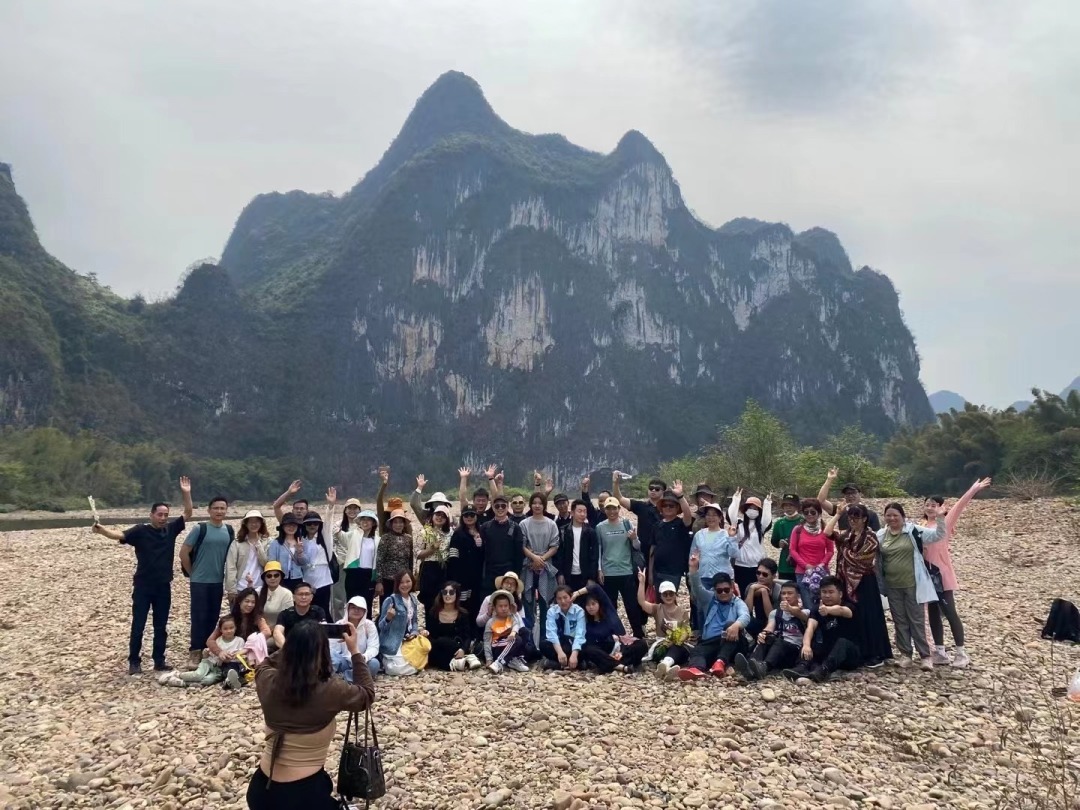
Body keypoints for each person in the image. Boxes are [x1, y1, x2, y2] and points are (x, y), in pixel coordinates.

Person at [247, 621, 375, 808]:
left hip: (260, 792)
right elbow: (367, 694)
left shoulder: (267, 680)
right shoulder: (331, 689)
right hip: (305, 796)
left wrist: (296, 646)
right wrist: (355, 651)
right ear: (323, 652)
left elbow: (265, 663)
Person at [92, 479, 194, 674]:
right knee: (138, 625)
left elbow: (188, 513)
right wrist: (102, 530)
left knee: (161, 625)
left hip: (163, 585)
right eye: (159, 514)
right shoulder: (140, 531)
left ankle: (159, 660)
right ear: (151, 515)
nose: (163, 518)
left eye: (165, 515)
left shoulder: (170, 530)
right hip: (143, 586)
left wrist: (186, 492)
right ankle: (134, 661)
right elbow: (119, 534)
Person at [922, 477, 991, 668]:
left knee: (950, 612)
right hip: (927, 576)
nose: (930, 508)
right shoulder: (921, 526)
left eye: (934, 505)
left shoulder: (945, 521)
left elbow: (960, 505)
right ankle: (940, 652)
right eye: (927, 504)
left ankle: (961, 653)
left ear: (941, 507)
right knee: (933, 613)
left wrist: (974, 489)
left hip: (942, 575)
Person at [877, 502, 945, 670]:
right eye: (888, 515)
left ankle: (925, 656)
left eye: (895, 515)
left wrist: (940, 518)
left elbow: (938, 535)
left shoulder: (913, 530)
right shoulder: (881, 535)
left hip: (913, 584)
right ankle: (905, 654)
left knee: (917, 620)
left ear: (903, 516)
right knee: (899, 620)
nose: (892, 518)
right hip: (892, 585)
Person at [824, 503, 892, 667]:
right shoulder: (848, 535)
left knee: (869, 617)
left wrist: (844, 551)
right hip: (846, 580)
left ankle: (876, 652)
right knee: (855, 616)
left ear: (864, 519)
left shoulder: (870, 536)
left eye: (856, 517)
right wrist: (837, 515)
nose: (853, 521)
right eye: (850, 517)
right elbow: (827, 532)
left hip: (864, 582)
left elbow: (861, 559)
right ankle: (859, 651)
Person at [179, 494, 234, 670]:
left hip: (217, 581)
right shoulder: (200, 528)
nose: (219, 511)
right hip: (200, 581)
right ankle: (195, 651)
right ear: (209, 510)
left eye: (222, 508)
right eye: (216, 508)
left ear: (226, 510)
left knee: (213, 616)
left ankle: (208, 649)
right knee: (198, 616)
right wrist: (192, 573)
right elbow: (183, 552)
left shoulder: (229, 531)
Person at [680, 557, 751, 680]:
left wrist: (736, 625)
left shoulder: (738, 603)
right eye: (719, 590)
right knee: (697, 650)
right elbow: (697, 588)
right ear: (714, 590)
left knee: (730, 626)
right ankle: (696, 669)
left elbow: (745, 615)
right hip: (711, 641)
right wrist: (693, 569)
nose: (723, 593)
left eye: (726, 590)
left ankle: (720, 663)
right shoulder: (709, 600)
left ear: (732, 588)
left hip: (733, 642)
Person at [782, 576, 862, 683]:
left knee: (842, 642)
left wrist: (828, 610)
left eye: (831, 592)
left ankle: (824, 670)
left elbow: (843, 611)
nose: (827, 595)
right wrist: (806, 645)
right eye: (824, 592)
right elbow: (810, 627)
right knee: (811, 640)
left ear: (840, 594)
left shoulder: (849, 606)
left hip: (850, 654)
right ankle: (802, 666)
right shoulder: (817, 609)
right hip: (829, 651)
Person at [732, 581, 807, 681]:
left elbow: (801, 615)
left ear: (798, 596)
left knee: (780, 641)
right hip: (777, 651)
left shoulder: (806, 612)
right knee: (766, 637)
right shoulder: (775, 613)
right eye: (783, 593)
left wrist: (790, 609)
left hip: (794, 651)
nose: (786, 596)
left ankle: (764, 667)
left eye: (790, 593)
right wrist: (763, 634)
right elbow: (769, 627)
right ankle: (751, 665)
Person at [687, 503, 738, 633]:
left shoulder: (726, 534)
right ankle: (704, 636)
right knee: (702, 609)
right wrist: (692, 580)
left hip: (722, 579)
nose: (711, 518)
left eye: (714, 515)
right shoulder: (699, 535)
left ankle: (723, 635)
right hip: (703, 577)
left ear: (720, 518)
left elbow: (734, 554)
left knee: (723, 608)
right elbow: (693, 557)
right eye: (708, 515)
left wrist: (732, 538)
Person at [575, 583, 647, 674]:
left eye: (593, 604)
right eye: (588, 605)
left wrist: (576, 593)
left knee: (642, 644)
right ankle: (620, 666)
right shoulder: (585, 622)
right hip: (602, 653)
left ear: (599, 604)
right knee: (589, 650)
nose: (591, 607)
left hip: (617, 651)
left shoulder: (609, 614)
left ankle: (612, 665)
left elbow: (596, 587)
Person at [163, 615, 244, 688]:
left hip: (218, 669)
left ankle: (182, 683)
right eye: (225, 629)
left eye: (231, 628)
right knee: (198, 675)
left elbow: (241, 657)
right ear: (220, 630)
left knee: (208, 680)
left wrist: (233, 657)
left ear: (235, 628)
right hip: (209, 662)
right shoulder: (218, 641)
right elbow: (209, 654)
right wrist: (207, 653)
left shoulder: (240, 641)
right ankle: (177, 674)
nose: (229, 631)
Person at [638, 574, 692, 682]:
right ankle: (667, 668)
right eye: (665, 594)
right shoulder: (657, 608)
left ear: (675, 595)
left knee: (678, 648)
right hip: (662, 644)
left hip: (677, 645)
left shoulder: (683, 612)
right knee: (662, 650)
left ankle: (665, 666)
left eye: (671, 593)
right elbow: (642, 602)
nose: (668, 596)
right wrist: (642, 582)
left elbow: (686, 631)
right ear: (661, 596)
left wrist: (677, 639)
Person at [520, 493, 560, 640]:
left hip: (546, 566)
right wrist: (534, 558)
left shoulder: (551, 524)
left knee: (546, 603)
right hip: (529, 566)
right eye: (534, 503)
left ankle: (544, 639)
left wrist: (541, 559)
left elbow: (555, 546)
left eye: (540, 503)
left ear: (544, 505)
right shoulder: (524, 524)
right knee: (528, 602)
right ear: (530, 505)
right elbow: (522, 545)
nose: (537, 506)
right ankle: (529, 639)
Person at [649, 485, 695, 608]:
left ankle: (674, 620)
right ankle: (662, 621)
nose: (668, 508)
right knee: (659, 602)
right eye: (665, 505)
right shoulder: (656, 526)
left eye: (671, 505)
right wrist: (650, 573)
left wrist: (680, 496)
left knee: (669, 599)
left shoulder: (681, 524)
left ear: (677, 508)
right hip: (658, 570)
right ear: (661, 508)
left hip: (673, 571)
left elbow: (688, 515)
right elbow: (652, 549)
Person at [612, 472, 663, 582]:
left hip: (661, 552)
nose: (653, 490)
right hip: (642, 551)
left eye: (657, 489)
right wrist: (615, 483)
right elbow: (619, 498)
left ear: (663, 491)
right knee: (641, 583)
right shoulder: (641, 506)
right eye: (651, 488)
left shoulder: (668, 508)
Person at [787, 499, 836, 610]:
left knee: (824, 604)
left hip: (822, 572)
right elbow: (792, 550)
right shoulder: (798, 530)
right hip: (802, 573)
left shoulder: (826, 530)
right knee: (808, 605)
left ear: (819, 513)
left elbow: (830, 550)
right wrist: (805, 565)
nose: (809, 515)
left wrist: (822, 563)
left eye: (813, 512)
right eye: (806, 512)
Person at [479, 495, 526, 606]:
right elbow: (481, 553)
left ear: (508, 507)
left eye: (503, 506)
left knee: (508, 604)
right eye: (497, 506)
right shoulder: (485, 527)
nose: (500, 508)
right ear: (493, 507)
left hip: (508, 572)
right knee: (489, 604)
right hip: (490, 572)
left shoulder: (515, 527)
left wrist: (516, 575)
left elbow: (519, 554)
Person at [334, 500, 379, 612]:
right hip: (353, 573)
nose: (365, 522)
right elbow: (341, 536)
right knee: (352, 604)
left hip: (369, 575)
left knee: (367, 605)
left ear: (373, 523)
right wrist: (331, 508)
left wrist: (378, 580)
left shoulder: (377, 539)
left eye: (368, 520)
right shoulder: (353, 534)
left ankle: (366, 623)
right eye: (363, 519)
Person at [426, 581, 482, 671]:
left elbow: (467, 637)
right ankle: (463, 660)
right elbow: (430, 635)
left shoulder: (463, 614)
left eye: (451, 592)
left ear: (457, 595)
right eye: (445, 592)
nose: (448, 595)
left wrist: (463, 650)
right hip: (438, 646)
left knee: (447, 650)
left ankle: (459, 660)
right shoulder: (434, 613)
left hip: (456, 645)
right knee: (439, 644)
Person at [376, 570, 426, 672]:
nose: (405, 585)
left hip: (408, 639)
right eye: (401, 582)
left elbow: (414, 621)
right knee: (399, 667)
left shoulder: (413, 600)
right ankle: (385, 662)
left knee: (421, 654)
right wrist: (388, 618)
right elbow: (380, 626)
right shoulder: (391, 600)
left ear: (412, 582)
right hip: (393, 642)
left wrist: (414, 632)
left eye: (408, 581)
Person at [727, 489, 773, 595]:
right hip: (740, 566)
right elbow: (731, 515)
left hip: (757, 567)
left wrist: (767, 504)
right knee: (742, 593)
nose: (752, 510)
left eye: (755, 509)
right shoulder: (738, 525)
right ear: (745, 510)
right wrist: (736, 499)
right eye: (750, 508)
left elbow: (767, 519)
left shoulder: (761, 527)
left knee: (757, 595)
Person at [330, 596, 381, 682]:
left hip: (362, 661)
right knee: (331, 655)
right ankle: (357, 677)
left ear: (364, 611)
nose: (356, 611)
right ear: (348, 609)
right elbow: (333, 648)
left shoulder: (369, 625)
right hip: (344, 661)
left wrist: (364, 657)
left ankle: (345, 677)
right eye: (353, 608)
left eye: (360, 608)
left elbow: (374, 646)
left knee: (374, 664)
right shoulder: (340, 624)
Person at [299, 504, 336, 618]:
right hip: (306, 580)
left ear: (319, 525)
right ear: (304, 525)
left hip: (323, 580)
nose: (312, 526)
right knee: (307, 610)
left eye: (315, 523)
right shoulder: (301, 540)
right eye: (309, 523)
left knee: (323, 610)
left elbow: (328, 523)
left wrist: (330, 506)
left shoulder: (325, 538)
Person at [208, 587, 272, 655]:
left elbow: (267, 632)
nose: (250, 605)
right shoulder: (229, 619)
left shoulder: (258, 618)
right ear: (239, 601)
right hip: (231, 652)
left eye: (253, 602)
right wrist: (220, 652)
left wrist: (248, 647)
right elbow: (210, 640)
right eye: (247, 601)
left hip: (250, 652)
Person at [554, 500, 599, 593]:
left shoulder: (590, 532)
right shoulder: (563, 531)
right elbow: (559, 554)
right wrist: (560, 573)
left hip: (585, 574)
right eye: (579, 511)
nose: (582, 514)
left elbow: (594, 556)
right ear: (572, 513)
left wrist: (591, 577)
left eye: (585, 511)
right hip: (568, 574)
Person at [225, 510, 270, 602]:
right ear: (245, 524)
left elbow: (265, 563)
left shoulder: (267, 542)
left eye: (257, 521)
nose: (254, 524)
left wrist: (258, 544)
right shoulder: (237, 543)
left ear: (261, 523)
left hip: (260, 586)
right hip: (240, 586)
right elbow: (231, 566)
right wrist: (231, 589)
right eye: (250, 521)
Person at [816, 468, 881, 532]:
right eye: (847, 493)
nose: (850, 496)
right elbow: (821, 501)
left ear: (860, 494)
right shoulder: (841, 511)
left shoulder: (871, 514)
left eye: (853, 493)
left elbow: (877, 534)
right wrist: (829, 479)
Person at [482, 590, 529, 673]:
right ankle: (498, 662)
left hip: (510, 645)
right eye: (500, 606)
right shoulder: (490, 622)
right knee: (516, 639)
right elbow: (487, 641)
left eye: (506, 606)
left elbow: (517, 625)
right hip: (497, 647)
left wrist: (513, 632)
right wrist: (489, 659)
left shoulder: (511, 617)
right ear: (495, 607)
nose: (503, 608)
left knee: (524, 632)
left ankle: (512, 660)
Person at [447, 504, 484, 608]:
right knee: (463, 604)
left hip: (478, 576)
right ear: (462, 517)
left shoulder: (482, 532)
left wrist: (480, 545)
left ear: (476, 516)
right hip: (462, 577)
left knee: (476, 603)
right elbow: (453, 558)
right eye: (466, 515)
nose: (469, 517)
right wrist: (455, 579)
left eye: (472, 515)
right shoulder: (458, 534)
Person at [541, 586, 586, 670]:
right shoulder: (552, 611)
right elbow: (551, 633)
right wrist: (560, 652)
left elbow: (580, 634)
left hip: (573, 643)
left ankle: (556, 664)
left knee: (586, 648)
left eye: (565, 597)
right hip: (559, 643)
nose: (563, 601)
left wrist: (574, 654)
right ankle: (575, 664)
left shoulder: (579, 611)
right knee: (543, 644)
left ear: (571, 597)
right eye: (559, 598)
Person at [417, 505, 453, 609]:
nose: (439, 517)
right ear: (433, 516)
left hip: (444, 569)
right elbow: (417, 554)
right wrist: (431, 550)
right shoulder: (425, 532)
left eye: (443, 516)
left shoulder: (451, 533)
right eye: (437, 514)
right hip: (428, 569)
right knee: (429, 602)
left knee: (444, 600)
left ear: (447, 519)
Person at [273, 582, 328, 649]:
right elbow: (277, 632)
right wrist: (287, 648)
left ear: (311, 597)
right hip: (290, 647)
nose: (303, 597)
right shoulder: (285, 614)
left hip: (313, 648)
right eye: (300, 594)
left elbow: (324, 629)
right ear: (293, 597)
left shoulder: (318, 611)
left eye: (307, 594)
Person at [267, 514, 309, 592]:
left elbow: (304, 562)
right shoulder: (276, 543)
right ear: (283, 527)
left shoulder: (301, 542)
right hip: (281, 578)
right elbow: (272, 562)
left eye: (294, 525)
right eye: (288, 525)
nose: (291, 528)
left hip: (297, 578)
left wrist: (300, 552)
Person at [743, 558, 782, 637]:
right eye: (758, 573)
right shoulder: (752, 586)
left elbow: (771, 617)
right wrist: (752, 590)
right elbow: (746, 612)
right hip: (759, 622)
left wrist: (764, 592)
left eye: (765, 574)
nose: (760, 576)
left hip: (775, 625)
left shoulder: (779, 591)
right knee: (745, 620)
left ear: (773, 576)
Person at [770, 493, 802, 583]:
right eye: (786, 505)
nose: (788, 508)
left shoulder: (803, 521)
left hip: (801, 565)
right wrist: (779, 543)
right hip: (785, 566)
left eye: (791, 505)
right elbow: (774, 541)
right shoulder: (779, 523)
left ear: (797, 507)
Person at [257, 561, 294, 630]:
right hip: (260, 629)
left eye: (276, 575)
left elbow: (288, 617)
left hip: (280, 630)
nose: (273, 578)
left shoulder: (287, 593)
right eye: (269, 576)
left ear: (281, 577)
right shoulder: (258, 592)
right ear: (264, 578)